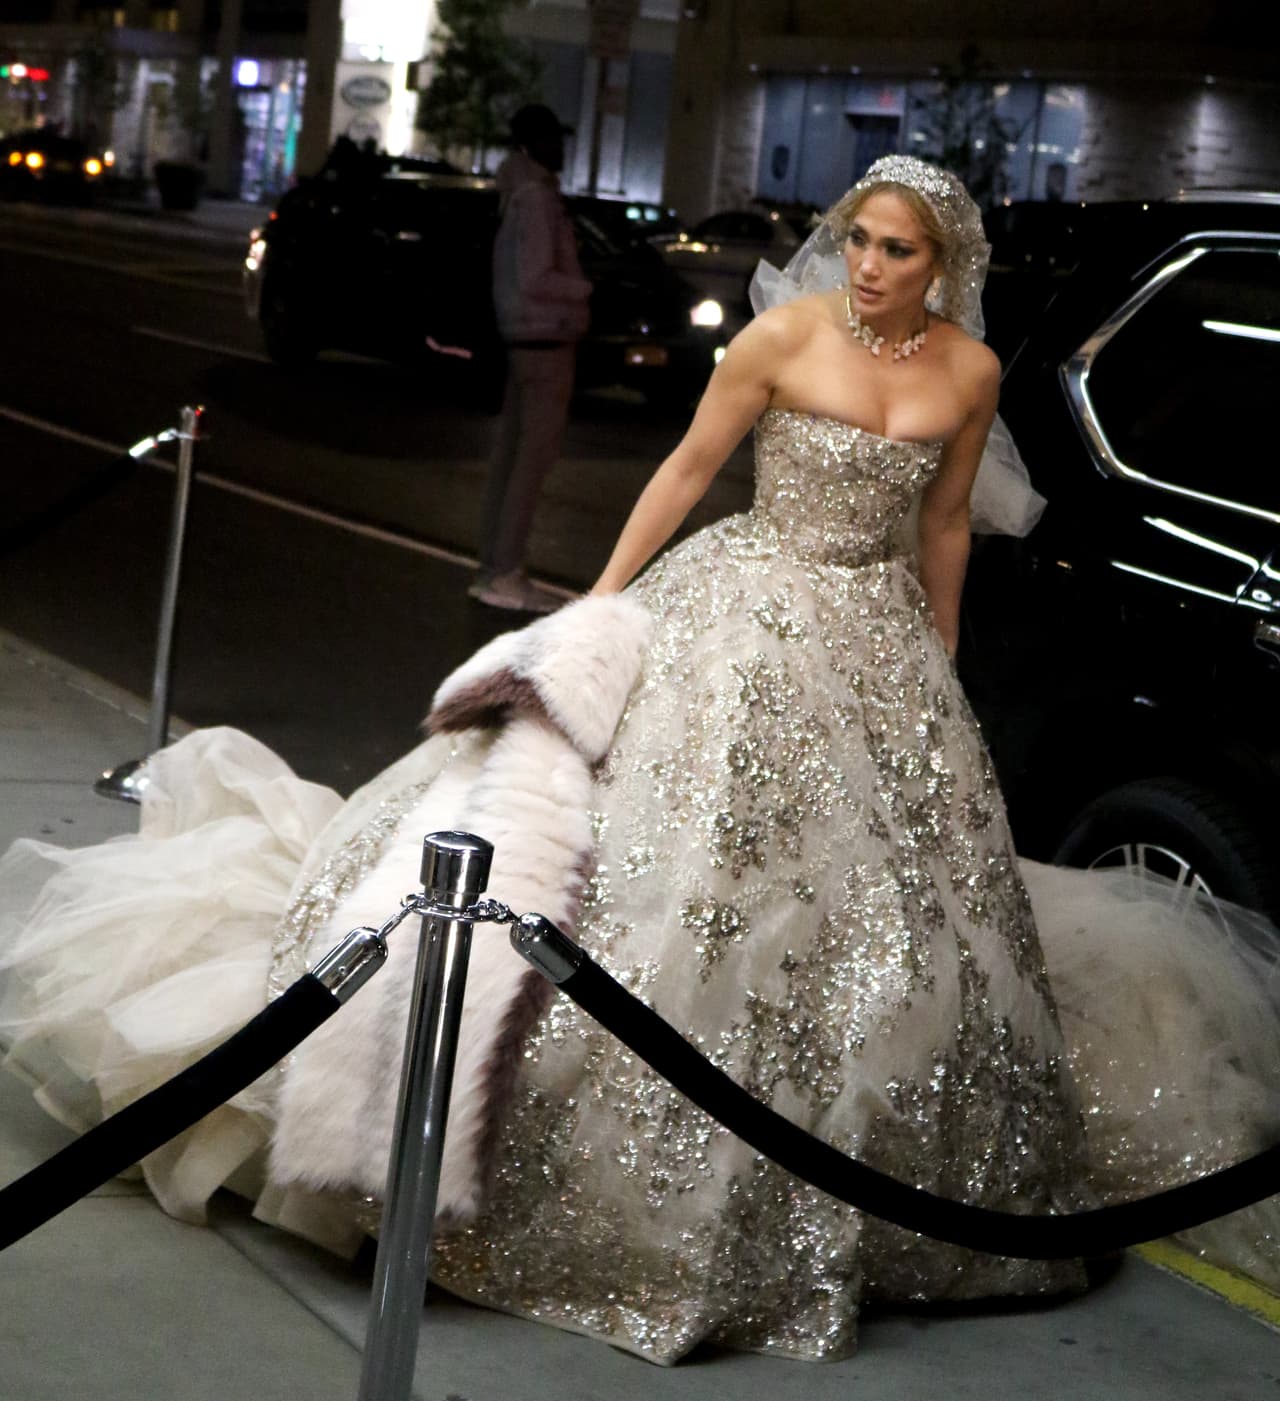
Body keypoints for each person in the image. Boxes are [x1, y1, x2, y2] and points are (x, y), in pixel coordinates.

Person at [1, 158, 1276, 1365]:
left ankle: (872, 1180)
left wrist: (936, 657)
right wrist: (599, 605)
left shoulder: (971, 371)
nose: (869, 265)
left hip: (876, 644)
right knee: (681, 865)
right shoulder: (783, 339)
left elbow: (943, 522)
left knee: (888, 916)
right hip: (745, 610)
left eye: (897, 250)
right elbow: (684, 469)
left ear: (941, 265)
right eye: (859, 240)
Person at [470, 103, 592, 613]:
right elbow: (538, 277)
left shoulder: (517, 195)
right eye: (552, 139)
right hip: (545, 340)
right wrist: (585, 288)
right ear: (530, 145)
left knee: (510, 457)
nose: (561, 148)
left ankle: (493, 566)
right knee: (531, 462)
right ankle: (506, 571)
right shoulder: (538, 199)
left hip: (523, 340)